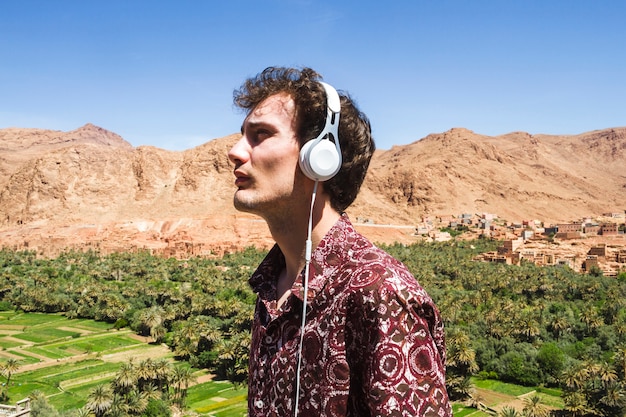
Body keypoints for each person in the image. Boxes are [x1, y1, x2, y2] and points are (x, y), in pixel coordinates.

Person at [227, 66, 451, 417]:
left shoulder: (379, 292)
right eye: (243, 135)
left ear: (320, 157)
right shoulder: (271, 287)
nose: (236, 151)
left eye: (260, 135)